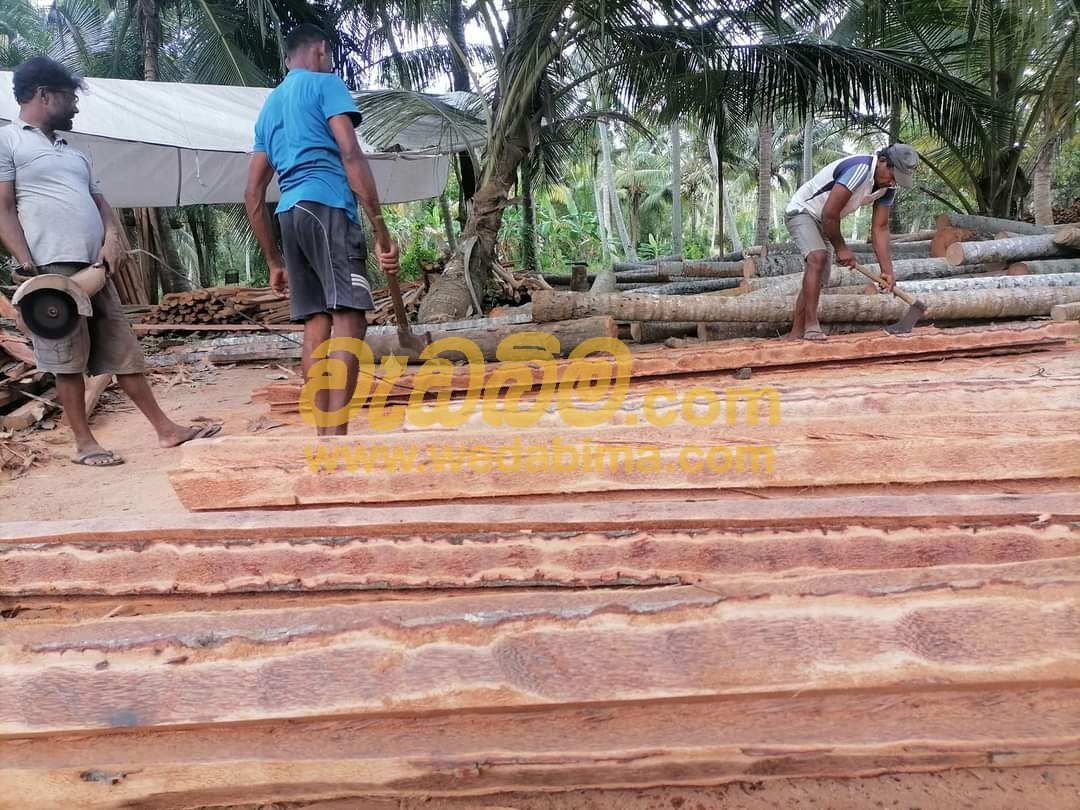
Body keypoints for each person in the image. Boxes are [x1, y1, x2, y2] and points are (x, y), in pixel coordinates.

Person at [0, 57, 221, 467]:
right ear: (44, 95)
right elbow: (3, 208)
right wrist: (27, 264)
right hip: (51, 270)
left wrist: (114, 238)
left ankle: (166, 430)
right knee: (67, 360)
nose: (75, 107)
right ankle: (84, 444)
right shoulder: (8, 141)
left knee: (122, 349)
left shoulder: (76, 154)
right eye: (70, 98)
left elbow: (102, 205)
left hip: (96, 269)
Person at [245, 24, 401, 436]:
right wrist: (380, 230)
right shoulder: (326, 84)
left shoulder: (269, 107)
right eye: (328, 55)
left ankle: (323, 436)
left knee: (316, 325)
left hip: (290, 215)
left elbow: (253, 193)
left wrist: (273, 261)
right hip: (327, 207)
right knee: (349, 320)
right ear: (321, 50)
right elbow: (350, 153)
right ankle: (337, 435)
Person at [783, 143, 920, 341]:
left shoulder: (888, 187)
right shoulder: (860, 169)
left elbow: (880, 228)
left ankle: (796, 333)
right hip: (802, 211)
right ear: (882, 161)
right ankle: (812, 326)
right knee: (817, 257)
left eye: (897, 180)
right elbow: (829, 213)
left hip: (825, 221)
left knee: (819, 276)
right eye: (892, 176)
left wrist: (887, 270)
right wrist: (841, 248)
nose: (893, 182)